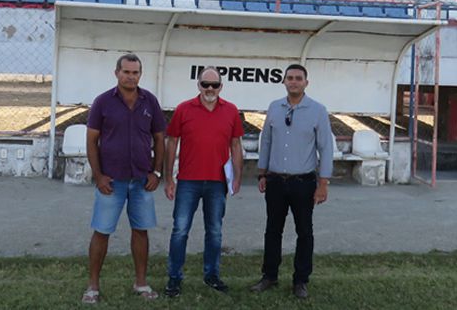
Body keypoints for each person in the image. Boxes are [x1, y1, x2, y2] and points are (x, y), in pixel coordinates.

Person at [82, 53, 166, 304]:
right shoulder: (103, 102)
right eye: (126, 72)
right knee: (102, 231)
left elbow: (161, 139)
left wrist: (157, 171)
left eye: (136, 72)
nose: (131, 76)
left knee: (141, 231)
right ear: (116, 72)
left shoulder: (149, 101)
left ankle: (141, 283)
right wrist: (98, 176)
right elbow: (91, 141)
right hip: (111, 182)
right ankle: (93, 287)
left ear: (141, 74)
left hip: (141, 181)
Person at [250, 63, 333, 299]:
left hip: (303, 182)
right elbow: (265, 141)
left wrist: (323, 183)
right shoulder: (275, 108)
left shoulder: (317, 110)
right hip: (275, 181)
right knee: (272, 230)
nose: (294, 81)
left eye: (298, 78)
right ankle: (269, 276)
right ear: (284, 82)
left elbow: (325, 148)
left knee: (304, 232)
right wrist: (262, 173)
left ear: (306, 83)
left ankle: (300, 281)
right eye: (290, 78)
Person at [163, 66, 244, 298]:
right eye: (205, 84)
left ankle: (211, 275)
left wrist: (237, 176)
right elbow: (171, 143)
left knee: (215, 231)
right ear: (198, 85)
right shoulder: (183, 109)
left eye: (214, 85)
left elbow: (236, 144)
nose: (210, 89)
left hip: (218, 183)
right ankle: (174, 278)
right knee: (180, 231)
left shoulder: (230, 111)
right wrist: (168, 178)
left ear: (221, 87)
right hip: (188, 181)